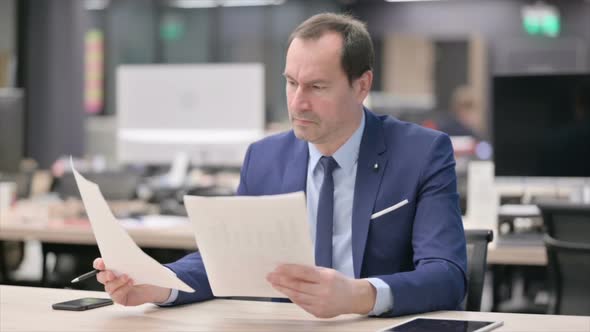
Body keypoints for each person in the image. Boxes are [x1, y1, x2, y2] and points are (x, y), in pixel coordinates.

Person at [93, 13, 467, 318]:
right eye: (291, 83)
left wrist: (358, 296)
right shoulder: (265, 158)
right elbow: (228, 264)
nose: (297, 103)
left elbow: (446, 276)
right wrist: (159, 285)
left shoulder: (422, 153)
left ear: (361, 85)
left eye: (317, 87)